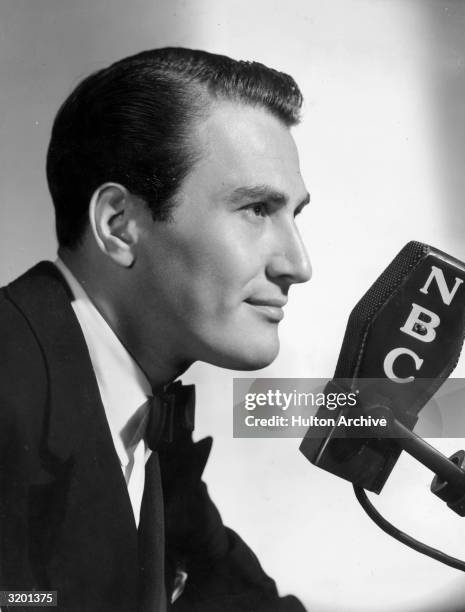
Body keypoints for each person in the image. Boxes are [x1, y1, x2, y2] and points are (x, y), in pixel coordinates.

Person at [0, 47, 311, 612]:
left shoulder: (142, 413)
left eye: (295, 214)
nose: (297, 264)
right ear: (118, 225)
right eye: (256, 210)